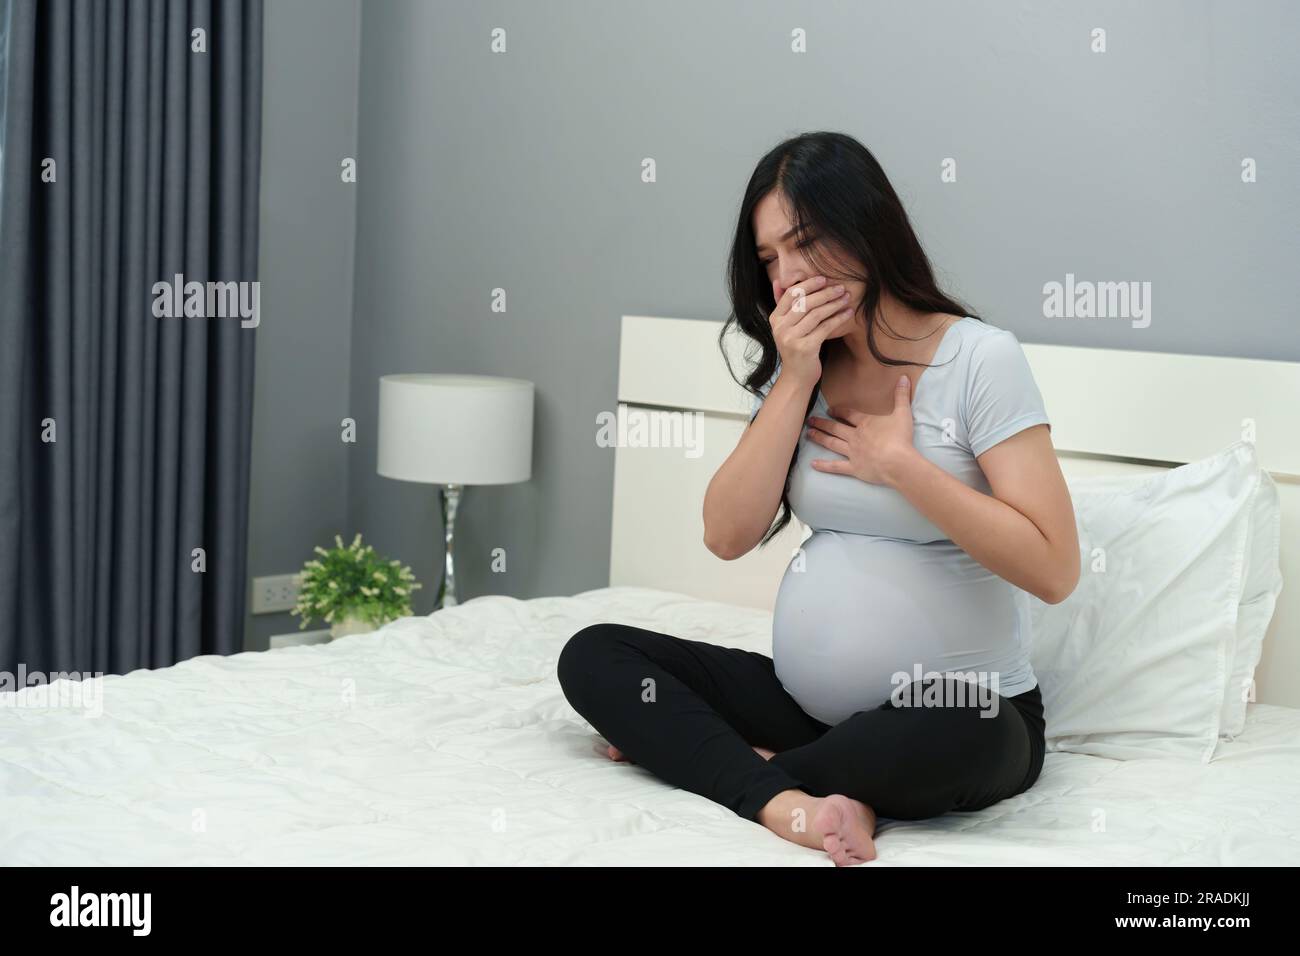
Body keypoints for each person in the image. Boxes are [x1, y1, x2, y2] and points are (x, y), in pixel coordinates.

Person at [558, 132, 1079, 866]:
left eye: (803, 243)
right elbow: (726, 533)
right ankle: (798, 794)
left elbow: (1055, 568)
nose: (787, 276)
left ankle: (744, 769)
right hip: (807, 710)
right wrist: (796, 377)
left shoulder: (980, 360)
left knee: (971, 729)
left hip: (957, 710)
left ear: (865, 228)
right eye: (769, 259)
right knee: (595, 655)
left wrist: (903, 467)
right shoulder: (797, 373)